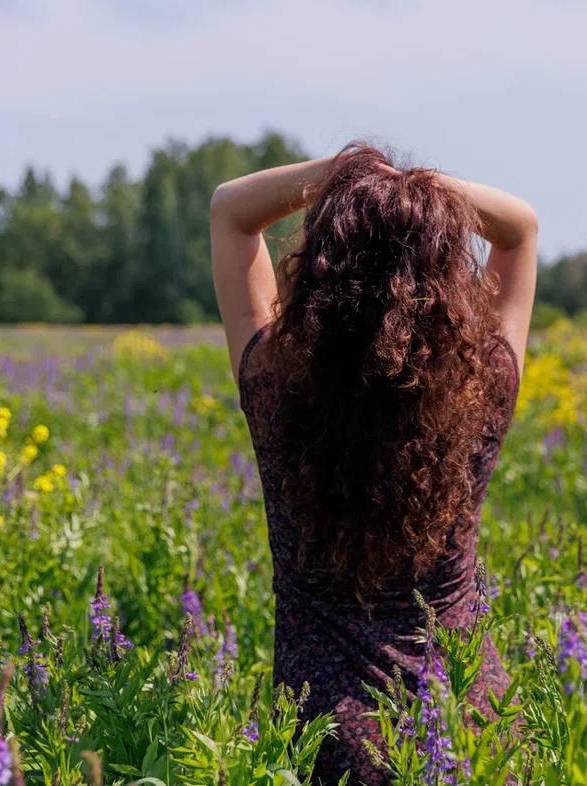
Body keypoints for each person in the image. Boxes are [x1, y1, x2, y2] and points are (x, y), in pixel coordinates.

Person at [209, 143, 538, 784]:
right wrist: (421, 193)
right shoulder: (483, 388)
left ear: (320, 274)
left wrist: (347, 175)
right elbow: (520, 228)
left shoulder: (277, 385)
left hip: (332, 733)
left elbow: (230, 212)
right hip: (473, 723)